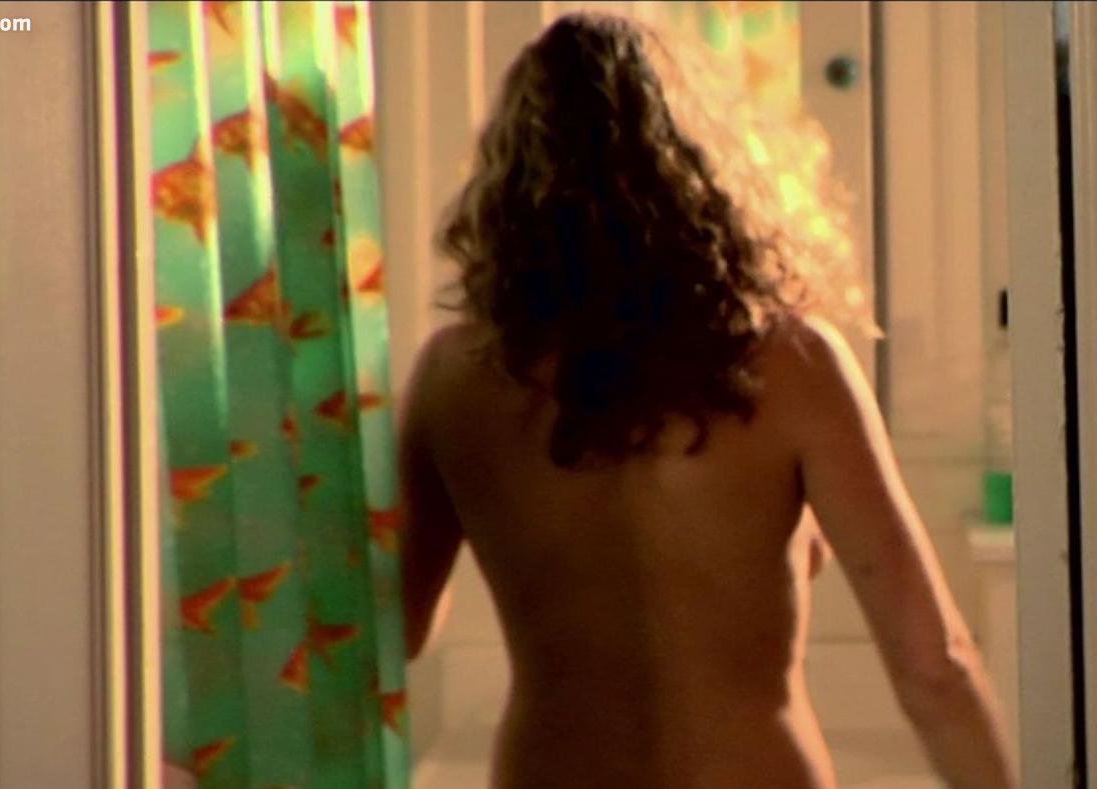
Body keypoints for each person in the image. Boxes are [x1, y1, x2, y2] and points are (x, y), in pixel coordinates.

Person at [400, 12, 1012, 788]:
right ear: (697, 168)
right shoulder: (792, 364)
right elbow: (934, 666)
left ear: (508, 183)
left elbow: (397, 631)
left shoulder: (453, 377)